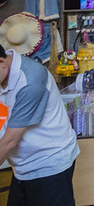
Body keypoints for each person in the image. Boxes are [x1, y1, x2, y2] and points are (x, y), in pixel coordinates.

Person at [0, 43, 79, 206]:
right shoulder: (4, 73)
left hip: (48, 162)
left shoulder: (30, 80)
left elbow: (10, 141)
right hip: (23, 165)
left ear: (1, 63)